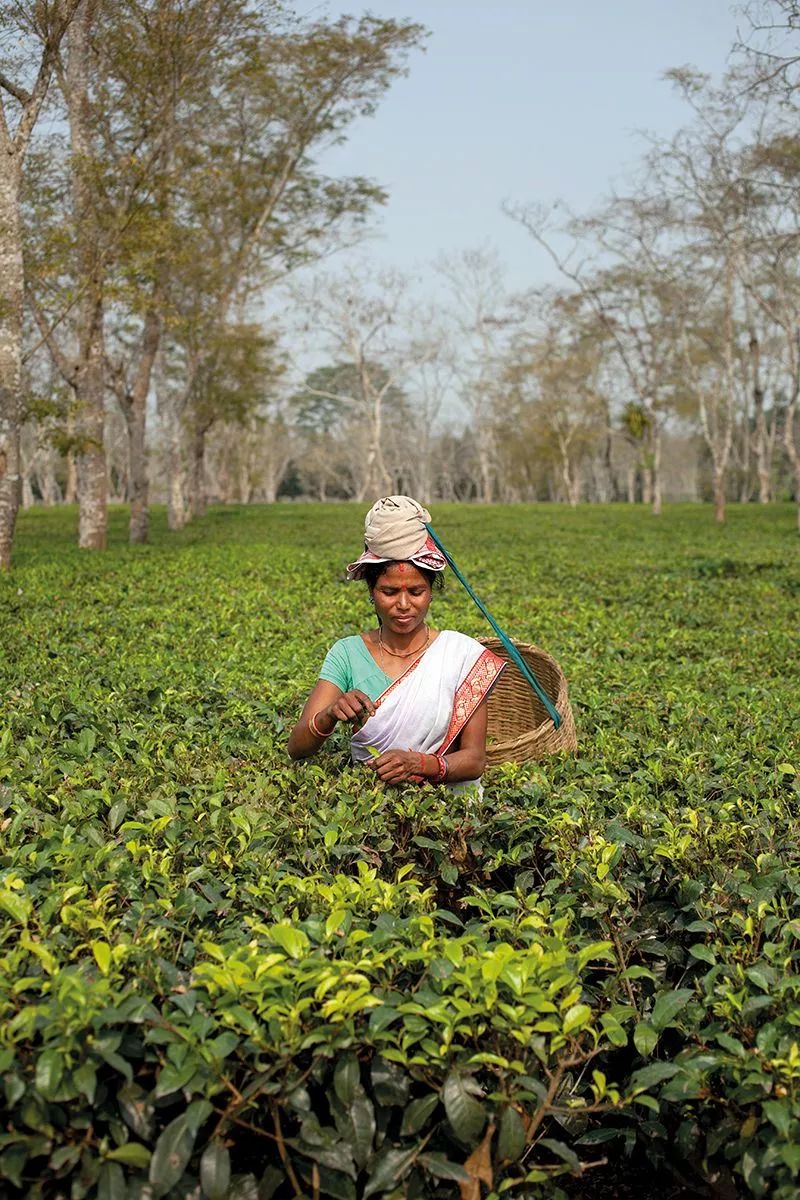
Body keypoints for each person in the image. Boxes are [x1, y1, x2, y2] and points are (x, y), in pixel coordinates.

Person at [288, 496, 506, 790]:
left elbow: (474, 760)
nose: (403, 605)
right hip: (369, 808)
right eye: (389, 592)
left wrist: (421, 764)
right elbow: (297, 747)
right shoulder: (347, 654)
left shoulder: (460, 656)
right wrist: (328, 715)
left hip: (448, 812)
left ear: (431, 592)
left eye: (416, 592)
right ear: (372, 591)